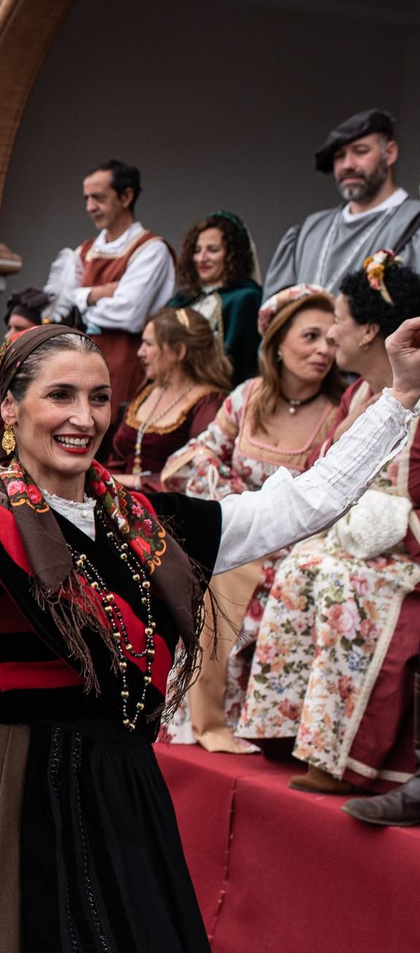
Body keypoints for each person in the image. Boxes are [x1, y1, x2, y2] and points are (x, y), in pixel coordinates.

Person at [0, 320, 420, 953]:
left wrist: (399, 396)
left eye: (99, 397)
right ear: (10, 407)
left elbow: (303, 502)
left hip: (123, 789)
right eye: (61, 395)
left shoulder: (148, 525)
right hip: (9, 787)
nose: (84, 416)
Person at [238, 253, 420, 794]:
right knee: (300, 567)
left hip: (403, 552)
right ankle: (288, 732)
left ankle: (341, 757)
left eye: (338, 320)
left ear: (369, 331)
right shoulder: (358, 395)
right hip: (357, 540)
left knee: (341, 581)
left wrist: (387, 522)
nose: (333, 333)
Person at [158, 286, 342, 754]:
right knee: (209, 562)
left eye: (332, 339)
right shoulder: (248, 397)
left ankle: (242, 719)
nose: (324, 349)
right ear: (278, 343)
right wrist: (237, 499)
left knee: (236, 570)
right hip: (232, 531)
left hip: (288, 548)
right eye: (311, 336)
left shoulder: (337, 415)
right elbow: (193, 454)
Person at [45, 160, 176, 418]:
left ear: (126, 196)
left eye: (98, 198)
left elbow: (127, 314)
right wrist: (97, 294)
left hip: (123, 367)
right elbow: (55, 307)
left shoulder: (151, 250)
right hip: (76, 365)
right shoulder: (84, 250)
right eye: (87, 198)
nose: (90, 207)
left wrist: (80, 300)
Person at [264, 109, 420, 294]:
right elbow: (274, 312)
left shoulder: (413, 224)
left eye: (360, 151)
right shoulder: (308, 231)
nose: (347, 165)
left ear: (390, 153)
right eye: (339, 156)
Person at [104, 309, 228, 491]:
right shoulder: (148, 391)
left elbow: (194, 471)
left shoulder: (208, 403)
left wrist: (133, 482)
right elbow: (118, 457)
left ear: (178, 351)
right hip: (119, 500)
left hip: (167, 510)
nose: (140, 352)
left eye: (148, 344)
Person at [166, 211, 263, 386]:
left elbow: (240, 360)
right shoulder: (183, 300)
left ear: (232, 254)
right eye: (197, 250)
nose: (202, 258)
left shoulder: (244, 299)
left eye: (213, 250)